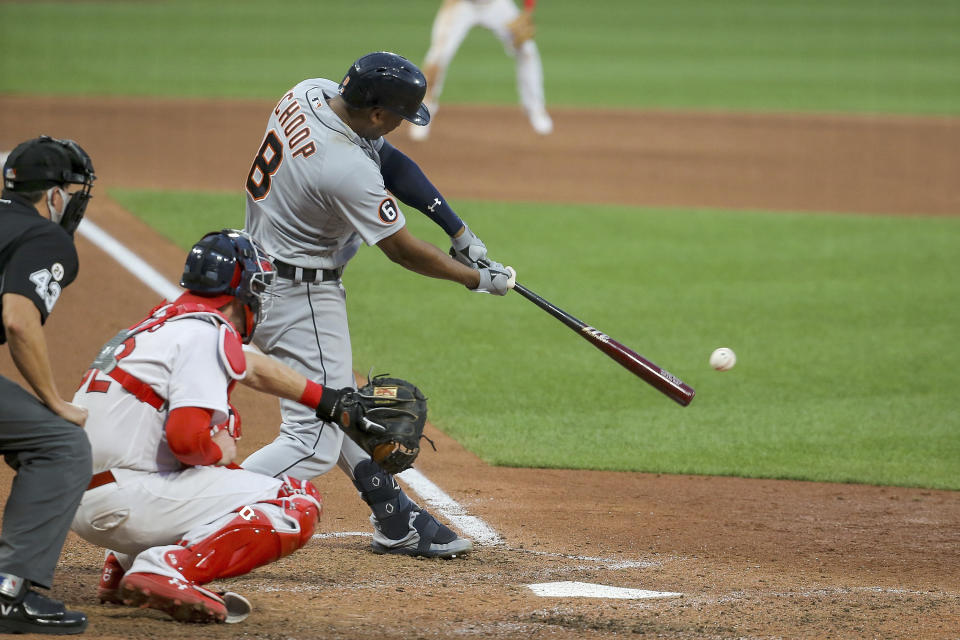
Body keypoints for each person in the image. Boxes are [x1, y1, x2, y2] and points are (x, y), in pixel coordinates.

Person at [241, 51, 515, 559]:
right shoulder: (342, 167)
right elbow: (402, 250)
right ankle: (200, 505)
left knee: (339, 405)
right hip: (300, 297)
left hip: (255, 273)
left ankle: (395, 517)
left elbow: (389, 159)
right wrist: (477, 279)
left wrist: (458, 230)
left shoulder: (310, 91)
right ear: (375, 113)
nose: (402, 127)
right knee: (310, 442)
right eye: (399, 117)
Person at [70, 230, 365, 624]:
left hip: (76, 498)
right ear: (240, 291)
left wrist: (327, 400)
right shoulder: (207, 333)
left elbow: (252, 367)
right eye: (256, 287)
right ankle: (166, 567)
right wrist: (217, 451)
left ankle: (123, 565)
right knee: (295, 500)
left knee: (216, 431)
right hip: (125, 502)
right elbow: (186, 441)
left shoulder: (160, 323)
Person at [0, 136, 96, 635]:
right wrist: (54, 401)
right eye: (73, 191)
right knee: (61, 443)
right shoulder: (44, 236)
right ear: (54, 195)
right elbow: (18, 320)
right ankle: (10, 592)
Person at [409, 0, 552, 140]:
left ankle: (535, 109)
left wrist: (528, 8)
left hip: (496, 5)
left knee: (527, 50)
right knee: (438, 56)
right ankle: (424, 112)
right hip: (460, 5)